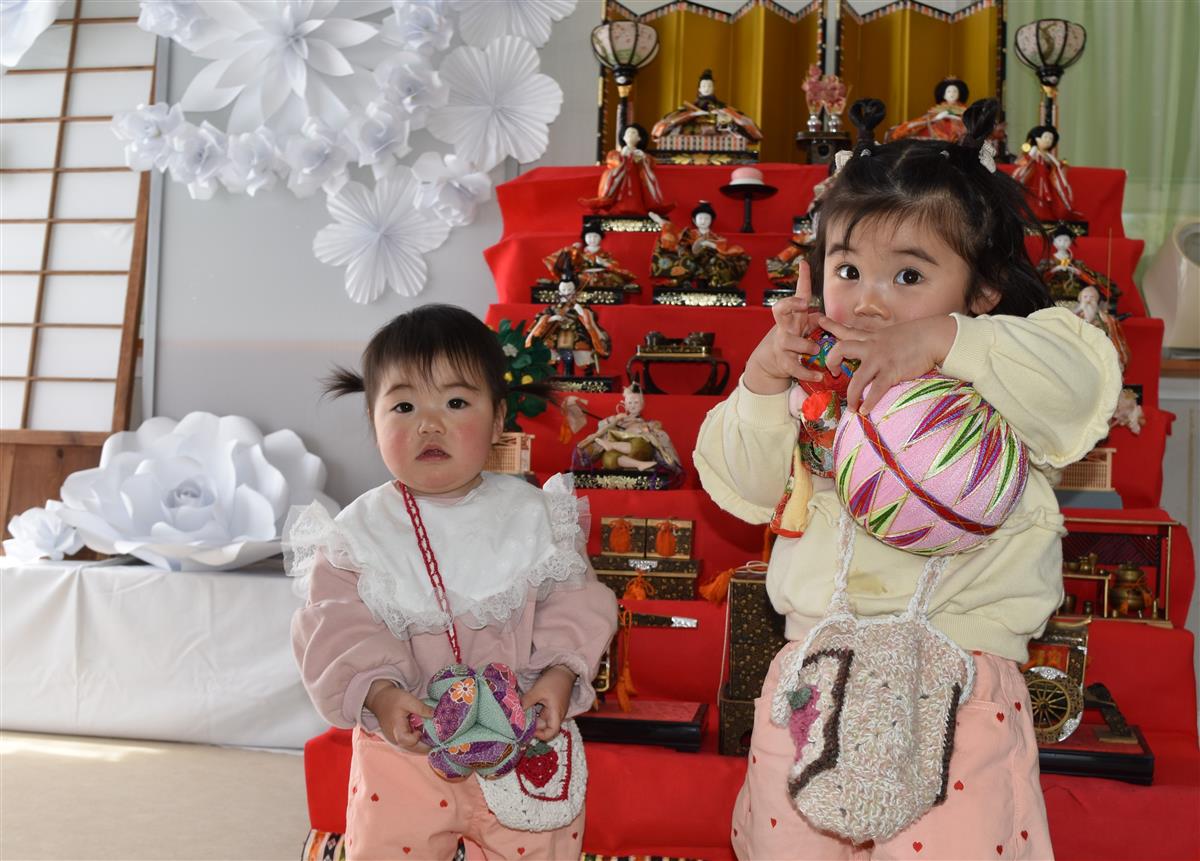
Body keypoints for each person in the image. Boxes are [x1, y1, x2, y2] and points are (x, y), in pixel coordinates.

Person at [694, 99, 1121, 859]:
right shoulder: (811, 387)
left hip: (958, 680)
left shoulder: (997, 369)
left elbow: (1082, 380)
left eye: (910, 274)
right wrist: (762, 387)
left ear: (982, 290)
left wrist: (945, 338)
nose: (870, 297)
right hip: (814, 679)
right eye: (848, 269)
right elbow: (743, 485)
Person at [286, 305, 618, 860]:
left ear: (498, 419)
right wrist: (383, 694)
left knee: (537, 844)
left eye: (457, 402)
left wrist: (559, 673)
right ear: (373, 419)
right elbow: (337, 626)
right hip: (407, 745)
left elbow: (574, 603)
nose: (429, 423)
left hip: (522, 737)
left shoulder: (534, 515)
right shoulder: (359, 534)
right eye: (404, 405)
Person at [572, 380, 683, 483]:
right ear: (624, 405)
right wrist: (614, 420)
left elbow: (660, 441)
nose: (633, 405)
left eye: (636, 402)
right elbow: (601, 429)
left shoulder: (649, 424)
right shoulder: (619, 421)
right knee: (608, 458)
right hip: (623, 456)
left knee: (639, 443)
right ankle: (639, 464)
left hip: (639, 451)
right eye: (630, 403)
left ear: (643, 404)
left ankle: (612, 445)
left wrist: (648, 432)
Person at [526, 259, 612, 376]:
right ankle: (551, 374)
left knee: (583, 351)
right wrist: (552, 318)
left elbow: (590, 317)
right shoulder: (554, 306)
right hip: (556, 332)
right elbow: (541, 317)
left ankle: (587, 374)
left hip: (575, 333)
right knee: (548, 350)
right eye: (564, 290)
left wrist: (581, 311)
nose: (566, 292)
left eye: (569, 290)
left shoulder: (579, 305)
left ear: (574, 291)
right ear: (559, 291)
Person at [649, 201, 750, 289]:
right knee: (683, 258)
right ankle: (685, 281)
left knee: (720, 261)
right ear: (694, 220)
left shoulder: (716, 237)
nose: (703, 221)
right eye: (700, 218)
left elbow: (721, 248)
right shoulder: (688, 233)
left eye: (707, 218)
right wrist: (662, 222)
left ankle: (713, 283)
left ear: (711, 221)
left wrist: (709, 244)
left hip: (708, 263)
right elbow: (675, 235)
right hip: (691, 261)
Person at [651, 68, 763, 147]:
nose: (707, 88)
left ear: (714, 88)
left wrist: (724, 116)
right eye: (704, 86)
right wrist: (691, 115)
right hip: (691, 142)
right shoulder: (688, 109)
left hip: (721, 142)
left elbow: (746, 125)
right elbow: (663, 127)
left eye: (710, 85)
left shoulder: (723, 108)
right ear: (699, 88)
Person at [581, 122, 674, 217]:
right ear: (623, 138)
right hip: (622, 180)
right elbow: (613, 162)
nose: (630, 135)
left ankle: (653, 206)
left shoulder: (642, 155)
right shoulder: (616, 154)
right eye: (628, 133)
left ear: (639, 138)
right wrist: (623, 157)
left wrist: (640, 158)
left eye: (633, 133)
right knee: (610, 174)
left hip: (636, 182)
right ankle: (603, 200)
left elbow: (644, 167)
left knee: (639, 193)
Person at [541, 218, 638, 293]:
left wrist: (604, 263)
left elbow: (614, 265)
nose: (592, 239)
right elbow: (571, 264)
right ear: (585, 238)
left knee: (611, 278)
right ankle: (554, 283)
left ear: (601, 239)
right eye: (589, 236)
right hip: (584, 275)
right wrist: (572, 249)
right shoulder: (580, 252)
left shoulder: (605, 254)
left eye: (595, 236)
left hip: (601, 276)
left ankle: (623, 286)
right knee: (575, 278)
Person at [1012, 125, 1084, 224]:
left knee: (1048, 202)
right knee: (1032, 200)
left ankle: (1047, 217)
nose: (1048, 140)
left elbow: (1057, 168)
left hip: (1047, 182)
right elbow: (1022, 165)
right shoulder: (1032, 154)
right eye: (1045, 137)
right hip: (1033, 181)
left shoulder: (1050, 158)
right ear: (1037, 139)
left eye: (1051, 138)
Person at [884, 77, 969, 143]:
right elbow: (926, 118)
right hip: (937, 124)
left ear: (959, 94)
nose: (952, 94)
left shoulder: (964, 109)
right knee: (916, 127)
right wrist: (938, 117)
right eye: (949, 91)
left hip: (958, 128)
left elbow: (968, 120)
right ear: (943, 95)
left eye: (955, 91)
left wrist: (952, 116)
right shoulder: (937, 108)